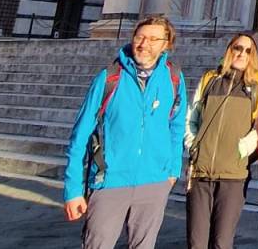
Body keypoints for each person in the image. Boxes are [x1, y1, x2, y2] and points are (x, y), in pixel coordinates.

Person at [63, 14, 187, 249]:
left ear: (166, 45)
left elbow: (176, 127)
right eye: (140, 37)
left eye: (153, 39)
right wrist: (73, 190)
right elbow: (80, 136)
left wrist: (172, 170)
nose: (144, 44)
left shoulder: (173, 78)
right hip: (110, 181)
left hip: (154, 181)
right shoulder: (110, 77)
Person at [185, 32, 258, 249]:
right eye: (237, 48)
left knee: (222, 241)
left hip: (233, 175)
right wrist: (194, 146)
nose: (241, 53)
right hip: (201, 172)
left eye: (248, 51)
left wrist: (242, 151)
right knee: (196, 241)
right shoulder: (210, 79)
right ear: (230, 49)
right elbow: (192, 116)